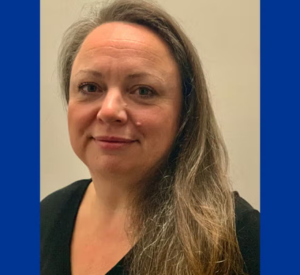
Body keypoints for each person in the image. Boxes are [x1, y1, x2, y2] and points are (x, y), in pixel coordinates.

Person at [40, 0, 260, 274]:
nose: (109, 111)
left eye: (143, 91)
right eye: (90, 87)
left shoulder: (241, 239)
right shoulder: (46, 216)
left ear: (185, 113)